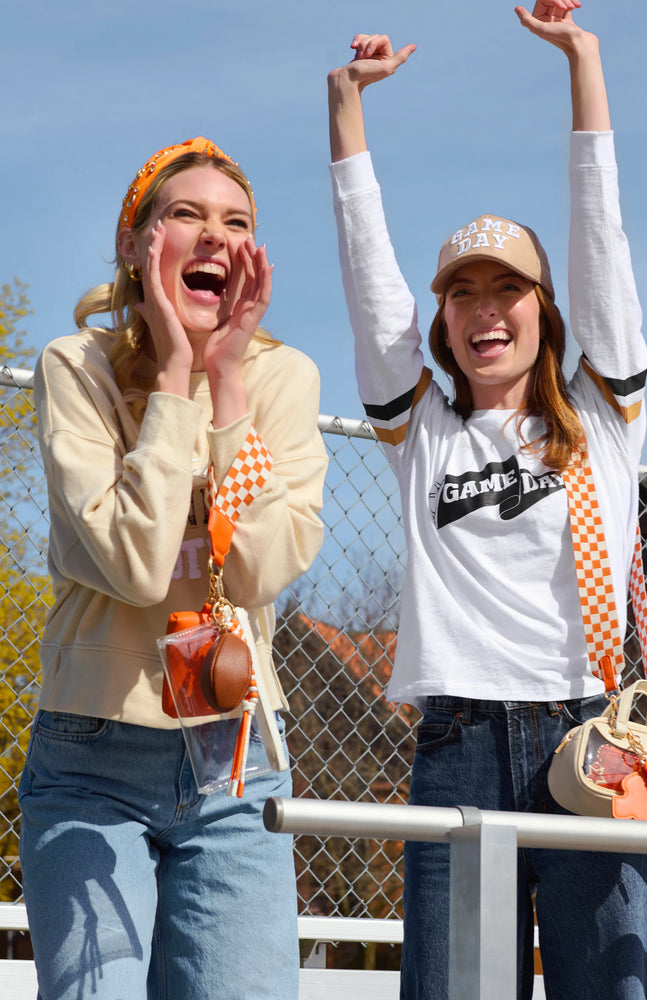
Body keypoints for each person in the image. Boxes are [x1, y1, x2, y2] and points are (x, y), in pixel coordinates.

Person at [327, 4, 647, 999]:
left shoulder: (604, 414)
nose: (485, 310)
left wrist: (583, 62)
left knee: (613, 985)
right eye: (462, 292)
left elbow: (598, 231)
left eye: (507, 289)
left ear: (545, 310)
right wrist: (346, 111)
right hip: (460, 742)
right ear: (442, 318)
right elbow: (367, 274)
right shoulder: (420, 426)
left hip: (589, 736)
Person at [19, 136, 328, 1000]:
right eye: (184, 214)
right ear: (135, 243)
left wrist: (226, 389)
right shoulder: (75, 368)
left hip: (236, 763)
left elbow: (262, 566)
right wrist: (174, 378)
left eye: (237, 222)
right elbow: (136, 565)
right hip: (92, 758)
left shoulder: (281, 380)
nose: (214, 236)